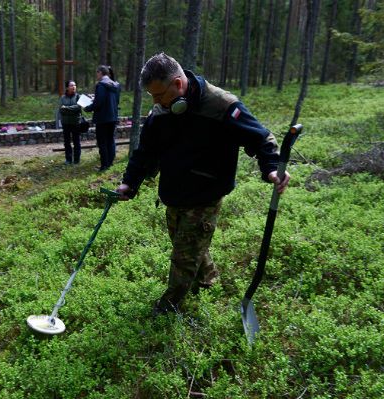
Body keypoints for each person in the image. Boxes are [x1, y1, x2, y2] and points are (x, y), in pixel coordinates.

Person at [115, 53, 290, 316]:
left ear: (177, 83)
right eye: (152, 96)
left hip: (205, 194)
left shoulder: (221, 105)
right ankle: (208, 279)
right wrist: (130, 182)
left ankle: (170, 305)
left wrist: (272, 169)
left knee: (183, 256)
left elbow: (262, 138)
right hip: (174, 193)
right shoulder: (161, 109)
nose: (155, 101)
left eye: (160, 94)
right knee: (186, 242)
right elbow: (146, 151)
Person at [84, 65, 121, 171]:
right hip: (113, 116)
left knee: (102, 142)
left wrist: (88, 108)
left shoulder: (101, 85)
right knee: (110, 140)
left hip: (102, 118)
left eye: (97, 73)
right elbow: (115, 101)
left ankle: (104, 165)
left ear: (100, 73)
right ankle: (110, 162)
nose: (96, 75)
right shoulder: (116, 85)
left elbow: (98, 103)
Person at [59, 80, 83, 164]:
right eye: (71, 85)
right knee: (67, 142)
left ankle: (76, 160)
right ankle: (68, 159)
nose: (74, 87)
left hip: (76, 123)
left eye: (75, 85)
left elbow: (78, 108)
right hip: (65, 123)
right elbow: (61, 110)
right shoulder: (62, 98)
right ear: (67, 87)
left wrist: (66, 108)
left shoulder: (78, 97)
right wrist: (70, 109)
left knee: (77, 142)